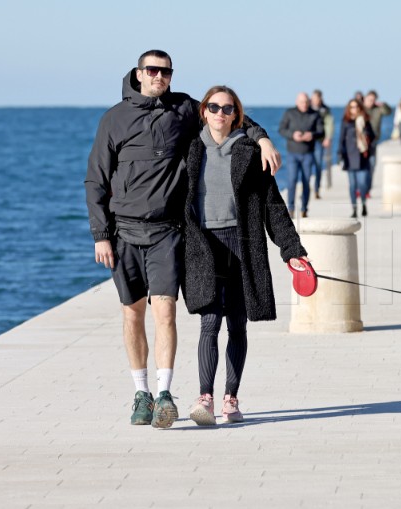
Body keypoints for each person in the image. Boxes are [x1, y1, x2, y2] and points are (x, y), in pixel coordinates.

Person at [84, 50, 280, 429]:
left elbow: (231, 115)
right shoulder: (114, 118)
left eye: (165, 71)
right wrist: (100, 234)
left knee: (166, 311)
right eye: (152, 70)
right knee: (132, 313)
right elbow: (96, 179)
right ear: (139, 73)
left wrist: (263, 140)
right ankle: (140, 393)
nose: (159, 76)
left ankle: (164, 394)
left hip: (166, 232)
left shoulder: (185, 109)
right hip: (123, 231)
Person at [183, 86, 309, 426]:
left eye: (227, 109)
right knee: (209, 322)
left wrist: (292, 251)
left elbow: (272, 206)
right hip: (204, 246)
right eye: (214, 107)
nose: (220, 114)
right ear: (204, 111)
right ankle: (204, 397)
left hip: (243, 244)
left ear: (236, 115)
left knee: (237, 324)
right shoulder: (190, 148)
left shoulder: (250, 152)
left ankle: (231, 398)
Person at [278, 92, 324, 218]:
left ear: (309, 102)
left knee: (306, 181)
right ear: (297, 102)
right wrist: (292, 135)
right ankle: (291, 208)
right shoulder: (289, 113)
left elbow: (321, 132)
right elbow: (281, 129)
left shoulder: (315, 114)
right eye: (302, 102)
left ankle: (304, 208)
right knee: (292, 181)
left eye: (306, 102)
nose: (304, 104)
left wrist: (312, 135)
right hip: (292, 153)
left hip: (308, 154)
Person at [339, 99, 376, 218]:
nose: (354, 109)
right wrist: (340, 154)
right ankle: (354, 209)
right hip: (350, 157)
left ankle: (364, 203)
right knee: (352, 185)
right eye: (352, 107)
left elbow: (373, 136)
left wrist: (365, 132)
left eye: (356, 107)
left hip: (363, 155)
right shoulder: (346, 121)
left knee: (363, 183)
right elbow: (341, 139)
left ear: (360, 108)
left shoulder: (365, 120)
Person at [363, 90, 392, 192]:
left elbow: (388, 112)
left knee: (372, 164)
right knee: (361, 165)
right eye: (369, 99)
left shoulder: (378, 109)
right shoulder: (360, 109)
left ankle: (367, 188)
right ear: (365, 98)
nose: (371, 102)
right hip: (361, 141)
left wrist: (383, 105)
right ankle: (361, 187)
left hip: (373, 141)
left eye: (373, 100)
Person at [310, 89, 334, 200]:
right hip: (307, 142)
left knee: (318, 165)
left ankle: (316, 189)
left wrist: (328, 137)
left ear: (321, 98)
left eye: (318, 98)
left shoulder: (325, 110)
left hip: (319, 141)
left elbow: (329, 124)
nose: (316, 100)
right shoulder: (307, 106)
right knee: (307, 165)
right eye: (314, 98)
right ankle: (306, 187)